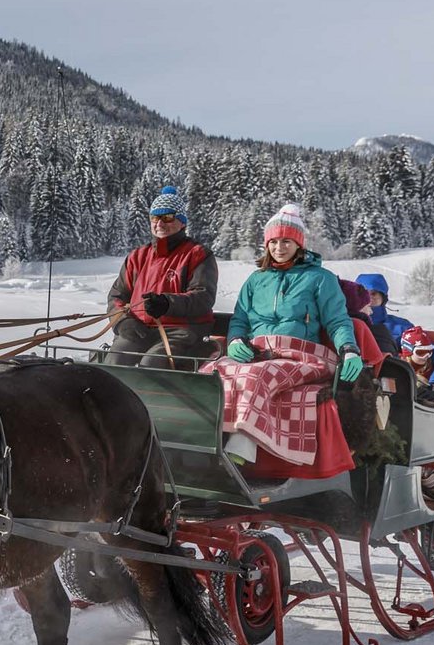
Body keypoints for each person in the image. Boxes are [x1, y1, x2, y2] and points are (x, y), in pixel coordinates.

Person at [206, 203, 360, 464]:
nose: (279, 247)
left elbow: (337, 320)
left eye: (287, 241)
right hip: (257, 352)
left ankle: (239, 452)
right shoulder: (256, 280)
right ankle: (200, 441)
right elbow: (240, 319)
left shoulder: (320, 278)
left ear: (299, 244)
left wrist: (349, 349)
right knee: (211, 372)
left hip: (301, 355)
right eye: (274, 241)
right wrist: (234, 341)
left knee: (257, 376)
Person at [106, 186, 219, 368]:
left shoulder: (198, 254)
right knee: (117, 358)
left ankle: (150, 397)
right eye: (154, 217)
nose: (159, 223)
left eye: (167, 217)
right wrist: (123, 322)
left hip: (181, 330)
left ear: (182, 222)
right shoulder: (137, 256)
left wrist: (167, 303)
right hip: (140, 328)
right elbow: (117, 296)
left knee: (152, 363)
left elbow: (203, 297)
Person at [353, 273, 412, 350]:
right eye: (363, 293)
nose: (368, 298)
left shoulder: (402, 327)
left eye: (373, 294)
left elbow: (423, 351)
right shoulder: (346, 325)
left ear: (383, 298)